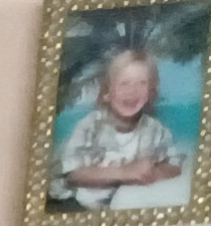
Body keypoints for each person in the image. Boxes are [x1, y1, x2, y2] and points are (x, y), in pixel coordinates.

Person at [52, 40, 188, 211]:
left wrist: (154, 174)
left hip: (117, 206)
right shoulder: (91, 126)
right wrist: (125, 172)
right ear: (107, 93)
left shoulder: (155, 130)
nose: (132, 91)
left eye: (142, 83)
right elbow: (74, 174)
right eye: (124, 83)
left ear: (151, 92)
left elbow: (175, 164)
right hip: (75, 202)